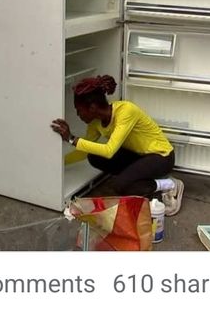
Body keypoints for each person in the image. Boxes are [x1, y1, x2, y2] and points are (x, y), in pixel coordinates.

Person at [51, 74, 184, 215]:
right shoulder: (95, 123)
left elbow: (109, 151)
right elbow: (83, 151)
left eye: (79, 110)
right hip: (139, 156)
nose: (78, 114)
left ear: (92, 107)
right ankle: (136, 179)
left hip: (162, 157)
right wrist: (59, 163)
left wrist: (71, 138)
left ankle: (169, 184)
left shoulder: (126, 111)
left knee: (120, 186)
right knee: (94, 157)